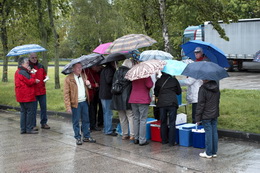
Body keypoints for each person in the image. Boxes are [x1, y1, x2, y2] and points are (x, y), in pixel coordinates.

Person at [64, 63, 96, 145]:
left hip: (84, 101)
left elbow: (89, 87)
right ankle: (78, 137)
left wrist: (89, 85)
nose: (80, 69)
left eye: (81, 67)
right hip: (76, 103)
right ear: (73, 69)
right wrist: (68, 106)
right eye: (78, 67)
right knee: (76, 121)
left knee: (86, 120)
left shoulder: (83, 76)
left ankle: (86, 136)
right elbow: (66, 94)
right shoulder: (68, 79)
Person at [154, 72, 182, 146]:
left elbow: (156, 93)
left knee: (163, 122)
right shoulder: (174, 80)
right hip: (172, 103)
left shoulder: (159, 81)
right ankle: (171, 142)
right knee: (172, 122)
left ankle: (164, 140)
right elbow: (179, 92)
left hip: (162, 103)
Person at [195, 80, 220, 159]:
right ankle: (214, 152)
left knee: (208, 133)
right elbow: (217, 101)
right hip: (214, 113)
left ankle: (208, 153)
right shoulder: (216, 87)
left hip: (206, 115)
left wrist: (197, 118)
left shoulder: (203, 88)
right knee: (214, 132)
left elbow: (200, 104)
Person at [15, 57, 40, 134]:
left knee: (23, 112)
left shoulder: (18, 71)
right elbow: (29, 82)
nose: (28, 64)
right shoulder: (23, 72)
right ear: (22, 64)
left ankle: (23, 128)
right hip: (27, 95)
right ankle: (29, 128)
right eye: (27, 63)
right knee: (29, 112)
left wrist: (29, 72)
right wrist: (33, 74)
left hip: (21, 95)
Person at [110, 59, 134, 140]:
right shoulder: (129, 72)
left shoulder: (117, 72)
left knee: (122, 117)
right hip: (127, 97)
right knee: (130, 116)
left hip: (117, 98)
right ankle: (132, 134)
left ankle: (125, 134)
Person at [129, 76, 153, 146]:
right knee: (143, 119)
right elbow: (150, 85)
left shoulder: (134, 75)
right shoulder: (146, 76)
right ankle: (142, 140)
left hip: (133, 99)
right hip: (143, 99)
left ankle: (136, 138)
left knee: (136, 119)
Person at [29, 53, 50, 130]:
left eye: (35, 57)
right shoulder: (28, 67)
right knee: (33, 109)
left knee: (43, 108)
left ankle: (44, 123)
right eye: (32, 58)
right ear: (29, 58)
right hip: (33, 91)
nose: (34, 59)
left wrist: (46, 77)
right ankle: (33, 124)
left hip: (42, 90)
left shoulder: (41, 66)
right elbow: (28, 79)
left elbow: (44, 74)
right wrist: (34, 80)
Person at [99, 62, 117, 136]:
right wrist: (115, 76)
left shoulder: (104, 69)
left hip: (102, 94)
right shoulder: (110, 70)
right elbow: (109, 80)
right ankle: (108, 130)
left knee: (105, 112)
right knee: (108, 113)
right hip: (107, 94)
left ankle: (106, 128)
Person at [85, 65, 103, 131]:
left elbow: (98, 80)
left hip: (93, 94)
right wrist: (93, 85)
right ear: (94, 66)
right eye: (97, 67)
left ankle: (93, 125)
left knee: (93, 110)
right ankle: (88, 126)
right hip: (88, 95)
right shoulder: (86, 72)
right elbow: (86, 83)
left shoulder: (94, 72)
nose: (98, 69)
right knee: (88, 111)